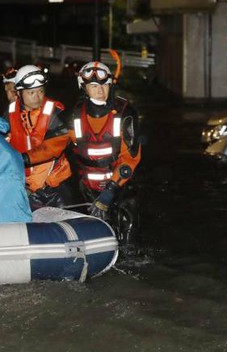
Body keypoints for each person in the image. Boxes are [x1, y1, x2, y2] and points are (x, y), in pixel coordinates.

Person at [68, 61, 141, 244]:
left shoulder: (126, 112)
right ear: (84, 88)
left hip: (120, 189)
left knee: (128, 237)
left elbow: (130, 159)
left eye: (103, 85)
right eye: (93, 86)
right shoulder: (74, 115)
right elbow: (54, 146)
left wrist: (109, 192)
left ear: (111, 86)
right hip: (88, 190)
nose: (100, 90)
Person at [7, 65, 75, 208]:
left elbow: (54, 146)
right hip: (27, 188)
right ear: (19, 93)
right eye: (31, 92)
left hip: (56, 188)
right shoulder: (10, 113)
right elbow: (1, 140)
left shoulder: (55, 111)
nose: (37, 97)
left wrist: (23, 158)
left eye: (40, 91)